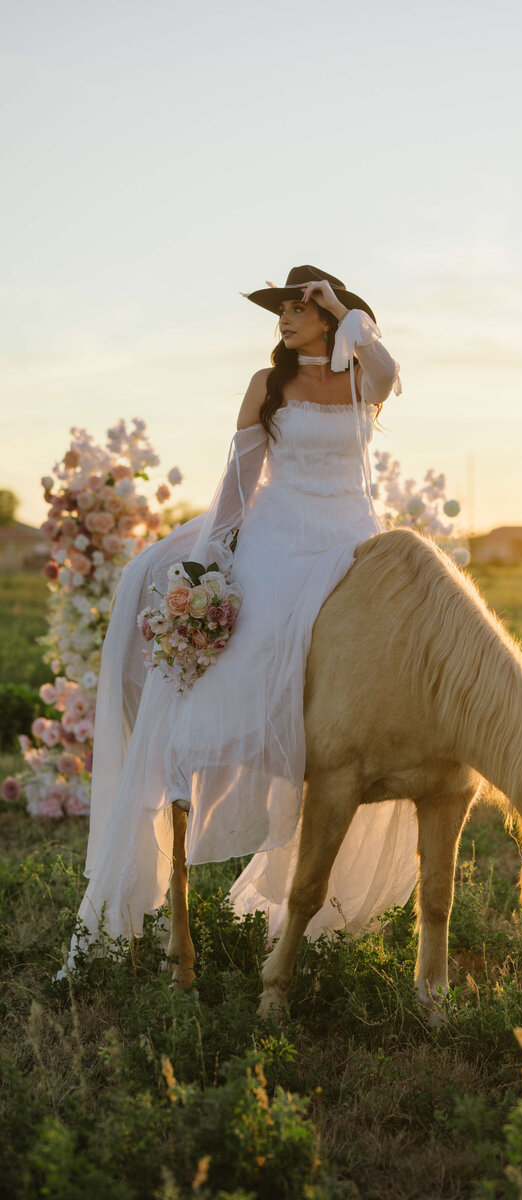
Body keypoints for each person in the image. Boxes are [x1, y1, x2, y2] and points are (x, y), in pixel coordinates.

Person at [62, 266, 419, 971]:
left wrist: (346, 312)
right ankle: (184, 833)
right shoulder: (268, 384)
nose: (284, 318)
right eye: (281, 308)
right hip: (278, 535)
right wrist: (210, 564)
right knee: (230, 676)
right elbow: (238, 484)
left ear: (328, 315)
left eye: (298, 306)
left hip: (349, 539)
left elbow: (389, 372)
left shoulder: (359, 381)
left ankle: (313, 879)